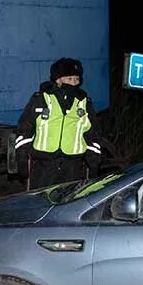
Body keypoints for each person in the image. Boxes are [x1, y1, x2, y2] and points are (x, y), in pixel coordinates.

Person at [14, 57, 102, 189]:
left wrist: (94, 162)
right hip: (44, 165)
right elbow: (24, 129)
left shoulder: (84, 103)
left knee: (70, 205)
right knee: (41, 203)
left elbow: (92, 134)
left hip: (73, 167)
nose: (73, 83)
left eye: (76, 79)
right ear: (58, 80)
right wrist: (21, 158)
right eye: (69, 79)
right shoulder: (41, 99)